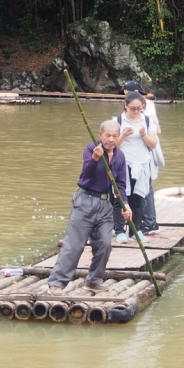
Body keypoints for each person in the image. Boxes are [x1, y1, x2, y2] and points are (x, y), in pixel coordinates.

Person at [46, 120, 131, 295]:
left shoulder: (120, 156)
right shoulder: (91, 148)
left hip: (105, 204)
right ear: (100, 135)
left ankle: (94, 280)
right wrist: (95, 158)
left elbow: (120, 185)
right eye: (107, 135)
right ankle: (57, 283)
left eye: (115, 136)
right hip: (85, 200)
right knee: (74, 244)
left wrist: (125, 205)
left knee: (105, 244)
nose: (111, 139)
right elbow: (86, 176)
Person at [113, 91, 158, 243]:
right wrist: (123, 135)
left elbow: (153, 144)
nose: (136, 111)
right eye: (133, 108)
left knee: (137, 198)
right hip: (123, 163)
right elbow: (113, 146)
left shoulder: (146, 120)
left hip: (141, 163)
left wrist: (144, 135)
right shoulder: (118, 120)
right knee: (120, 197)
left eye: (140, 108)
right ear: (125, 106)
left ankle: (135, 230)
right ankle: (119, 230)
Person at [123, 81, 162, 234]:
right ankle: (138, 222)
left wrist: (143, 132)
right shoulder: (124, 114)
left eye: (126, 93)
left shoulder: (147, 106)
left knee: (145, 186)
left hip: (145, 152)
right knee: (133, 188)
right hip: (131, 155)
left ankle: (150, 221)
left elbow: (157, 130)